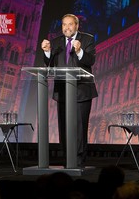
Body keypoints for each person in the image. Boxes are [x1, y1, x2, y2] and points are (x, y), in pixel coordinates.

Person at [41, 14, 98, 168]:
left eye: (70, 24)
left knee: (79, 127)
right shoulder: (56, 42)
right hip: (62, 90)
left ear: (77, 26)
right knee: (64, 126)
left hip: (81, 90)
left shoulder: (87, 39)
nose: (66, 28)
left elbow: (90, 60)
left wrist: (79, 51)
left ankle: (79, 160)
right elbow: (50, 64)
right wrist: (47, 52)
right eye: (64, 25)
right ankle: (67, 159)